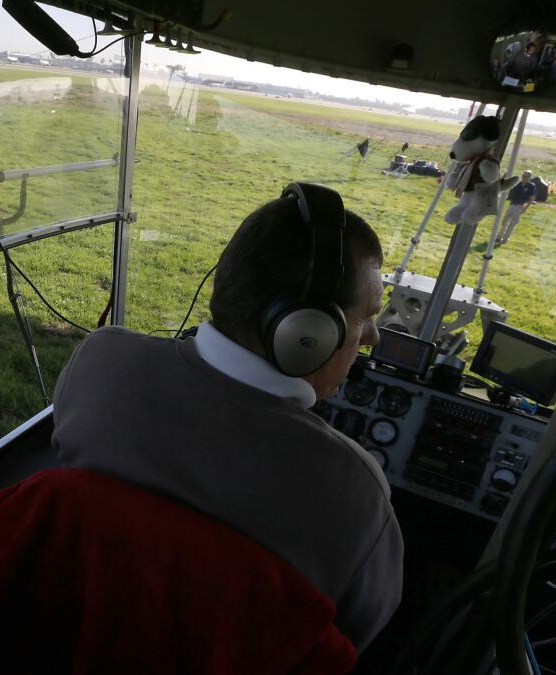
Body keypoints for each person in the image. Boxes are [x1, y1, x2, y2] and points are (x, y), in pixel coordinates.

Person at [51, 186, 403, 653]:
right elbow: (355, 639)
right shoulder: (357, 492)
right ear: (309, 334)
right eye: (365, 318)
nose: (373, 339)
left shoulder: (99, 362)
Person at [498, 169, 536, 245]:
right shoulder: (518, 184)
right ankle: (499, 237)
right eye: (523, 175)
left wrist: (526, 208)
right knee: (504, 221)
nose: (523, 177)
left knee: (512, 224)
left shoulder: (531, 186)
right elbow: (510, 193)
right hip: (512, 204)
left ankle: (505, 239)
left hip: (520, 206)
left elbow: (532, 198)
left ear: (529, 177)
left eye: (526, 176)